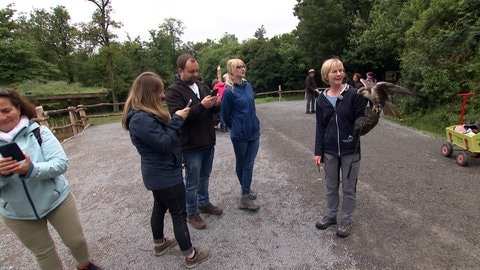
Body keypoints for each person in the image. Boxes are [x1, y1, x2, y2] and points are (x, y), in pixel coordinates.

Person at [0, 87, 102, 270]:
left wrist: (31, 169)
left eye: (6, 110)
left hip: (56, 199)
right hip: (17, 212)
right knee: (43, 253)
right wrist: (3, 175)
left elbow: (60, 163)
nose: (2, 117)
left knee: (76, 240)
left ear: (18, 108)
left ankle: (85, 265)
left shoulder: (38, 132)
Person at [121, 72, 210, 268]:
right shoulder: (140, 119)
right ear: (149, 92)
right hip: (165, 175)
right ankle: (191, 255)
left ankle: (160, 244)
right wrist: (177, 119)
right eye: (159, 91)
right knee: (179, 214)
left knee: (160, 207)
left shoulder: (142, 115)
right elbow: (165, 143)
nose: (162, 95)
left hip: (159, 174)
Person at [165, 54, 223, 230]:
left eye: (197, 70)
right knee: (192, 181)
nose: (195, 74)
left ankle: (203, 202)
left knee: (205, 176)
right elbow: (179, 118)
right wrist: (202, 106)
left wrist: (216, 105)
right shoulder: (173, 91)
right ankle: (191, 212)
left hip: (207, 141)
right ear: (180, 70)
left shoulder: (202, 86)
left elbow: (212, 113)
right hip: (190, 145)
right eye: (191, 71)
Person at [313, 58, 368, 238]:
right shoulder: (321, 99)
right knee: (331, 186)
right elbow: (320, 127)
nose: (339, 74)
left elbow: (363, 121)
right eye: (334, 71)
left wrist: (373, 111)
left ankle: (346, 220)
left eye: (341, 71)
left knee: (349, 187)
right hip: (329, 150)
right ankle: (330, 215)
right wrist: (317, 152)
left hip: (350, 149)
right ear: (326, 75)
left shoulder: (355, 94)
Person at [220, 59, 261, 211]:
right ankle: (245, 195)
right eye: (238, 67)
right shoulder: (229, 92)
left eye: (243, 66)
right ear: (231, 71)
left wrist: (254, 123)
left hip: (254, 132)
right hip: (240, 135)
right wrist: (236, 127)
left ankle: (245, 190)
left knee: (249, 164)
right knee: (242, 164)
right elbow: (225, 114)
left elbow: (252, 107)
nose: (242, 69)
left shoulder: (248, 86)